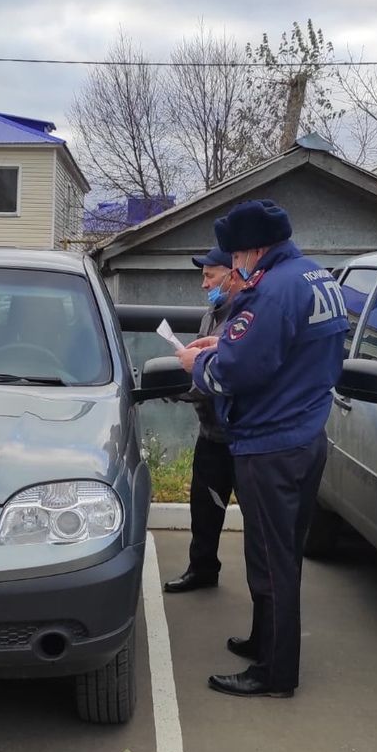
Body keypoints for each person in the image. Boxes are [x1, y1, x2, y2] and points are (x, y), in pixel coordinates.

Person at [175, 199, 348, 698]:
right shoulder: (315, 277)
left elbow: (237, 372)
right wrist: (222, 342)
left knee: (270, 560)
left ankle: (274, 673)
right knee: (282, 553)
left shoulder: (270, 292)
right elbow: (279, 347)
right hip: (305, 434)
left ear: (254, 249)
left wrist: (198, 364)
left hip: (270, 442)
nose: (232, 265)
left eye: (235, 256)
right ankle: (263, 640)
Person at [162, 249, 241, 594]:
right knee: (204, 507)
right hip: (210, 433)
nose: (204, 283)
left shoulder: (245, 317)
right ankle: (203, 567)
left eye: (210, 276)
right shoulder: (212, 313)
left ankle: (264, 588)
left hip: (241, 435)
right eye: (204, 276)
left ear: (233, 274)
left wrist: (181, 391)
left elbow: (223, 377)